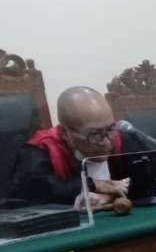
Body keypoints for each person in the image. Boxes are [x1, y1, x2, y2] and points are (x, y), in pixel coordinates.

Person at [10, 86, 142, 207]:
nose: (106, 142)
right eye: (94, 134)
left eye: (110, 129)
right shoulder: (41, 148)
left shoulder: (118, 137)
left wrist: (108, 196)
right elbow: (34, 192)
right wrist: (92, 184)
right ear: (64, 132)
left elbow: (147, 179)